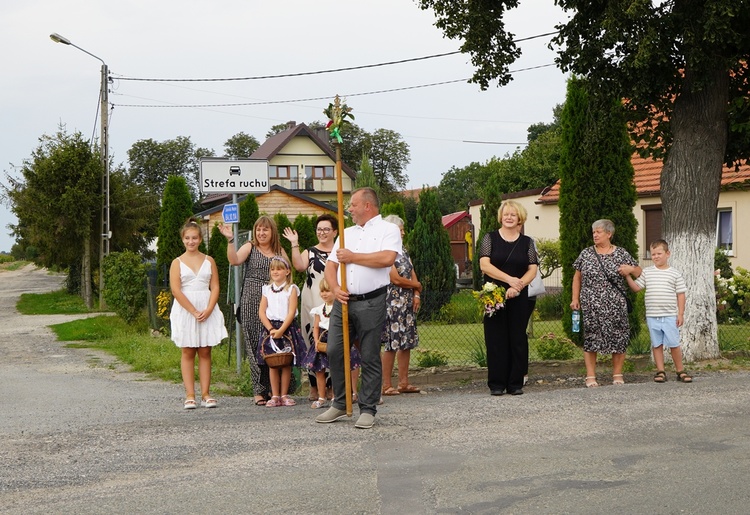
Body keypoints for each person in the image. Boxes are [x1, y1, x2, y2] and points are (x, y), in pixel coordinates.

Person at [315, 187, 401, 429]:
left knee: (370, 355)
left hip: (372, 302)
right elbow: (331, 267)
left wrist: (353, 257)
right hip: (343, 302)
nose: (349, 209)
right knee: (334, 350)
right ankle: (340, 403)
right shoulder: (346, 233)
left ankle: (368, 408)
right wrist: (334, 289)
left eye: (353, 204)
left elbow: (386, 259)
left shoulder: (388, 229)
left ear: (367, 206)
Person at [220, 216, 291, 406]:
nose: (261, 233)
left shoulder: (279, 251)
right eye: (258, 229)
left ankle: (275, 391)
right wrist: (230, 240)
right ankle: (259, 390)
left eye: (265, 230)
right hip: (252, 300)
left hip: (275, 301)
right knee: (254, 345)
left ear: (272, 232)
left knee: (273, 343)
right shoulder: (250, 247)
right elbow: (234, 260)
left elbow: (289, 271)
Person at [571, 219, 642, 387]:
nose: (595, 235)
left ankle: (617, 374)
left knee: (619, 337)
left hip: (616, 304)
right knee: (591, 338)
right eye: (593, 232)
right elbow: (577, 277)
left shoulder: (621, 253)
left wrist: (630, 270)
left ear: (609, 234)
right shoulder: (586, 253)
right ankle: (590, 376)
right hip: (591, 303)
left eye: (599, 232)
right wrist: (575, 298)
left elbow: (639, 271)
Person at [479, 200, 539, 396]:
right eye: (506, 214)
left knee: (518, 338)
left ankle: (515, 383)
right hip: (493, 294)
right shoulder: (490, 238)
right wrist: (509, 280)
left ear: (519, 217)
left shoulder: (527, 242)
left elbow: (533, 268)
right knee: (495, 338)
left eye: (513, 214)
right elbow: (485, 265)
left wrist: (518, 285)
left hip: (519, 295)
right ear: (501, 217)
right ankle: (496, 384)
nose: (509, 217)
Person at [169, 217, 228, 409]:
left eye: (194, 238)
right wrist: (193, 310)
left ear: (200, 239)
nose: (191, 241)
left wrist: (209, 308)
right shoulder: (177, 262)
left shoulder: (209, 260)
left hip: (206, 307)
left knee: (205, 350)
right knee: (188, 350)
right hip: (186, 309)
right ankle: (189, 394)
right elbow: (176, 290)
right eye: (187, 238)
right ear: (183, 240)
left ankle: (206, 393)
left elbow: (216, 286)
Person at [283, 214, 338, 401]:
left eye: (326, 229)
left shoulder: (340, 252)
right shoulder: (311, 251)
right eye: (319, 229)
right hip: (312, 303)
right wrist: (294, 244)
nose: (322, 232)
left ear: (335, 232)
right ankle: (314, 386)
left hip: (333, 303)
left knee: (332, 342)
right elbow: (298, 266)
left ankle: (332, 387)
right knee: (312, 343)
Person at [625, 239, 692, 383]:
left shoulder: (674, 273)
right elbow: (636, 288)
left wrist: (680, 313)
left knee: (674, 344)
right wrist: (627, 276)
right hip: (652, 316)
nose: (655, 256)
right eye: (653, 254)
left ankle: (680, 370)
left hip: (669, 315)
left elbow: (681, 294)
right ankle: (660, 371)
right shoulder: (647, 272)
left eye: (659, 253)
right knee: (657, 344)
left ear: (668, 254)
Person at [301, 278, 361, 408]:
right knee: (319, 370)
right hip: (323, 340)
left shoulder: (342, 308)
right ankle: (321, 397)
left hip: (338, 339)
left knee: (338, 368)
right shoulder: (318, 310)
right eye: (322, 291)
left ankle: (336, 396)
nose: (324, 294)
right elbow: (315, 327)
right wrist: (316, 341)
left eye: (327, 291)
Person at [381, 214, 422, 396]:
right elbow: (395, 279)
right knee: (391, 343)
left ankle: (404, 383)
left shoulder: (403, 250)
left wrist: (417, 293)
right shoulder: (384, 251)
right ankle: (386, 385)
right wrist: (417, 286)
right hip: (391, 303)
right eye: (400, 230)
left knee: (406, 342)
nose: (403, 233)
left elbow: (412, 272)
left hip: (407, 303)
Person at [257, 256, 306, 407]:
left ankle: (284, 394)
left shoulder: (291, 289)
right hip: (271, 328)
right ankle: (275, 394)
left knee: (285, 362)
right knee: (272, 362)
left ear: (287, 271)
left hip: (287, 328)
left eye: (279, 269)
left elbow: (291, 312)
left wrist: (281, 330)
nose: (275, 272)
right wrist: (271, 329)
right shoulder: (266, 290)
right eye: (272, 269)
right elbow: (261, 312)